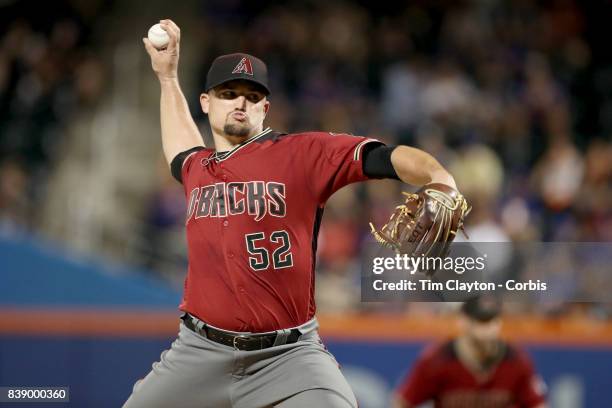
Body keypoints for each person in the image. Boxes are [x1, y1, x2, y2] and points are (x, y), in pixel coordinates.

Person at [126, 19, 459, 408]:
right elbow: (180, 147)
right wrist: (167, 77)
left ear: (265, 108)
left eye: (252, 96)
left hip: (288, 357)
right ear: (206, 103)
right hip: (198, 351)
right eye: (229, 93)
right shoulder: (198, 168)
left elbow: (383, 157)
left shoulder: (301, 154)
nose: (240, 102)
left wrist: (439, 175)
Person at [392, 297, 548, 408]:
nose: (489, 329)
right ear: (464, 322)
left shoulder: (516, 359)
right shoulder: (437, 360)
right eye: (482, 321)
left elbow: (537, 404)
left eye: (493, 321)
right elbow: (402, 402)